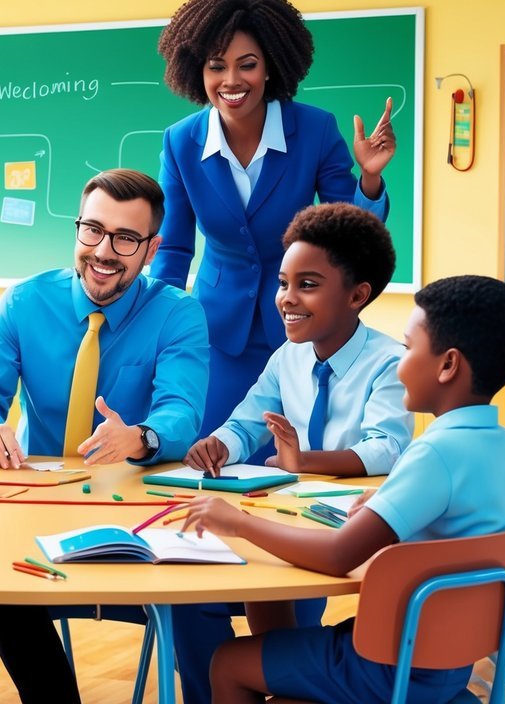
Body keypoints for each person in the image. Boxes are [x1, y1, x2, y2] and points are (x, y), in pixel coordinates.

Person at [182, 275, 505, 704]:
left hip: (392, 664)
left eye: (409, 348)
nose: (400, 362)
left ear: (448, 365)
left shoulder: (435, 454)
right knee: (274, 628)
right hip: (449, 662)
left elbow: (338, 556)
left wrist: (237, 521)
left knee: (229, 662)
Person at [0, 168, 209, 703]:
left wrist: (139, 437)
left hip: (138, 507)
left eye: (125, 238)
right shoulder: (24, 303)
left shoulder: (179, 314)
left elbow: (181, 413)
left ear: (152, 247)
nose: (103, 251)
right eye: (92, 230)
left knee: (194, 594)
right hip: (36, 502)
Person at [176, 202, 414, 702]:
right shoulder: (288, 356)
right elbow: (248, 420)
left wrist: (304, 462)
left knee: (283, 599)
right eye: (283, 283)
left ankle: (270, 680)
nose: (286, 298)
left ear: (357, 295)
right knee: (192, 601)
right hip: (289, 515)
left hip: (348, 531)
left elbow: (388, 449)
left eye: (307, 284)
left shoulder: (391, 362)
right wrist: (220, 443)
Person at [152, 0, 397, 442]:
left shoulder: (315, 128)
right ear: (197, 70)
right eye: (216, 65)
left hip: (303, 327)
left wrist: (368, 179)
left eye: (247, 64)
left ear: (271, 68)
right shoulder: (180, 141)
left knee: (297, 463)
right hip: (218, 335)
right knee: (217, 454)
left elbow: (352, 237)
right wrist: (160, 328)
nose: (231, 80)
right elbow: (173, 249)